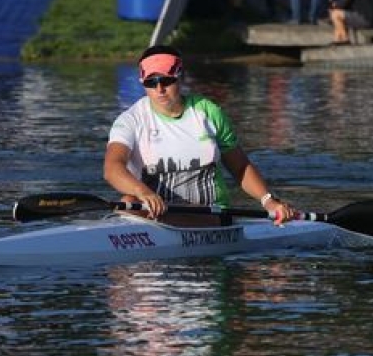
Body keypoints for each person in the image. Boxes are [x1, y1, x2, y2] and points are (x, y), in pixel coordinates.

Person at [103, 45, 296, 223]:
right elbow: (112, 168)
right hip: (155, 211)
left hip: (209, 212)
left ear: (181, 78)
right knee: (128, 200)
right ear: (143, 83)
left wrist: (268, 200)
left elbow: (240, 167)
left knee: (140, 207)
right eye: (151, 82)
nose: (160, 89)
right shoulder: (130, 120)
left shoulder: (208, 113)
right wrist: (143, 192)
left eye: (167, 80)